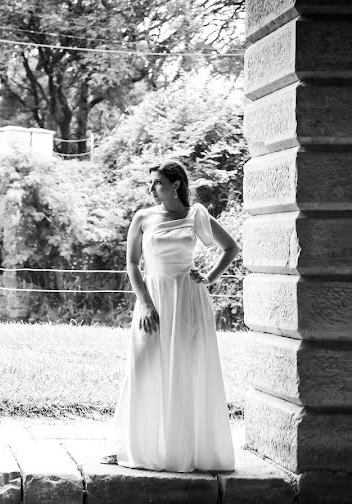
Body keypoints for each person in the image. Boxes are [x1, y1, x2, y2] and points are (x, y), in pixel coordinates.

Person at [103, 160, 237, 472]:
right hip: (153, 297)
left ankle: (182, 449)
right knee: (144, 365)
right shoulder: (143, 217)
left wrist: (210, 277)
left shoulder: (196, 215)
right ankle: (132, 443)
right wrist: (146, 303)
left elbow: (230, 247)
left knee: (185, 369)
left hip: (188, 298)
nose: (151, 189)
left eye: (157, 183)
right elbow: (133, 264)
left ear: (176, 184)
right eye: (150, 183)